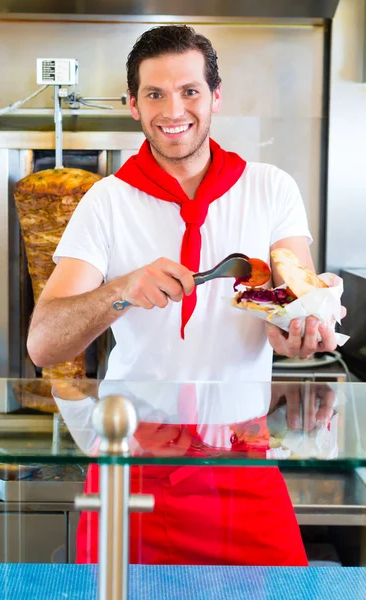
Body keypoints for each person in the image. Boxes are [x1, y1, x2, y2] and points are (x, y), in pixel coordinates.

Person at [27, 25, 341, 566]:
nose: (174, 109)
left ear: (215, 97)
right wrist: (119, 292)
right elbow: (44, 345)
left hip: (243, 455)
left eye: (190, 91)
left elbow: (289, 310)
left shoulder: (271, 188)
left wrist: (299, 332)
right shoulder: (106, 202)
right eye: (155, 94)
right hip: (133, 459)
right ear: (133, 105)